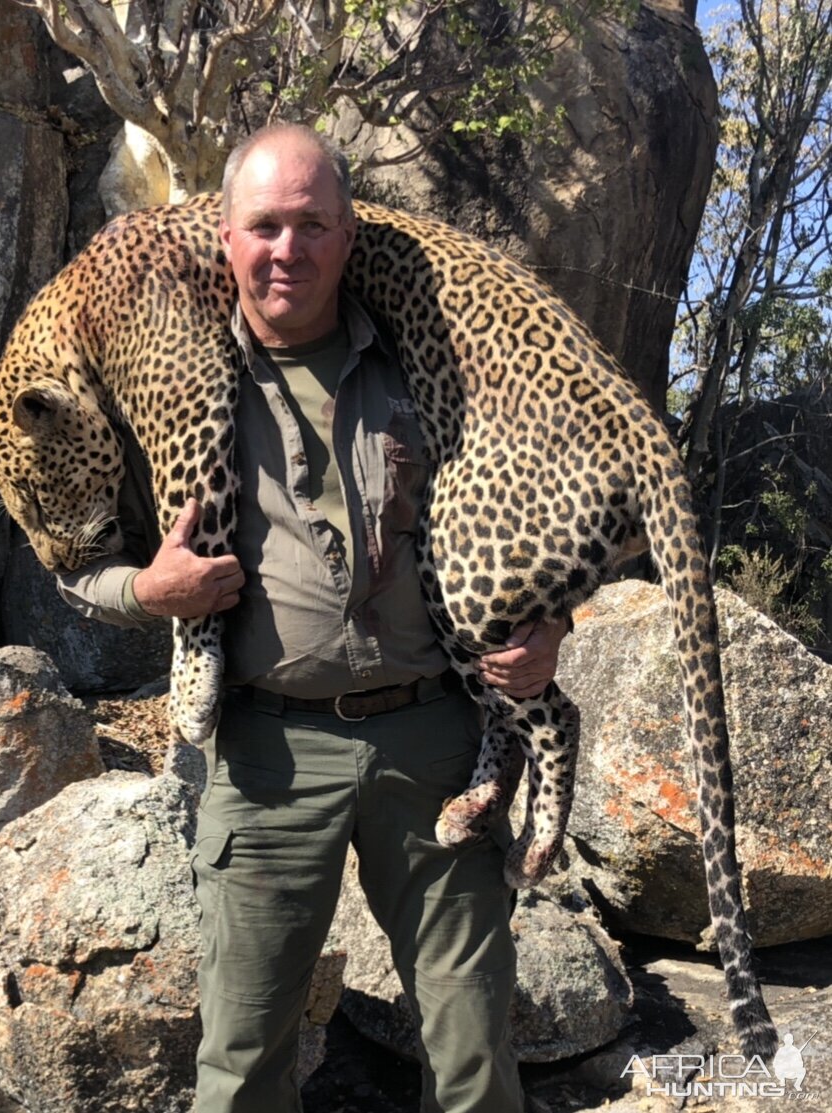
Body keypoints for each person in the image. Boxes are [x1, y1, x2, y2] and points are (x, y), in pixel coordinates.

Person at [57, 123, 569, 1113]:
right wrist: (146, 593)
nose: (286, 248)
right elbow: (77, 568)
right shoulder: (163, 388)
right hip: (262, 758)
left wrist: (550, 629)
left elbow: (543, 510)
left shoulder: (434, 364)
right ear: (226, 238)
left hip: (432, 744)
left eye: (311, 224)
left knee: (473, 1053)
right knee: (242, 1062)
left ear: (347, 235)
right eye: (263, 226)